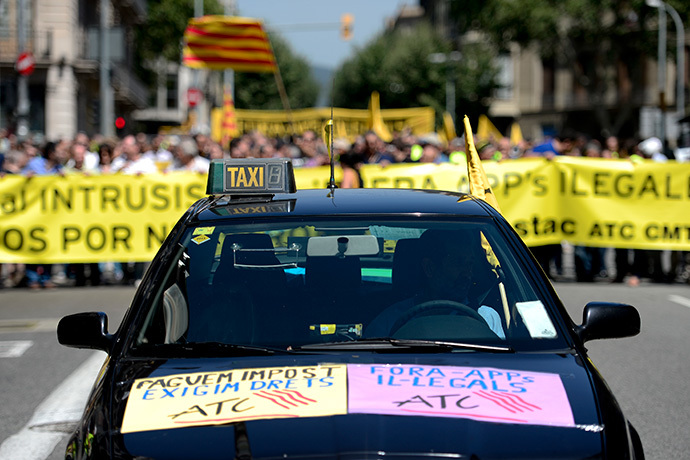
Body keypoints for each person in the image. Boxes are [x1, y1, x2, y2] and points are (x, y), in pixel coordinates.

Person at [366, 229, 505, 339]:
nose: (467, 273)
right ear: (430, 268)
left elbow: (502, 368)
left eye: (470, 264)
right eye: (458, 263)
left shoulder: (486, 318)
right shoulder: (390, 321)